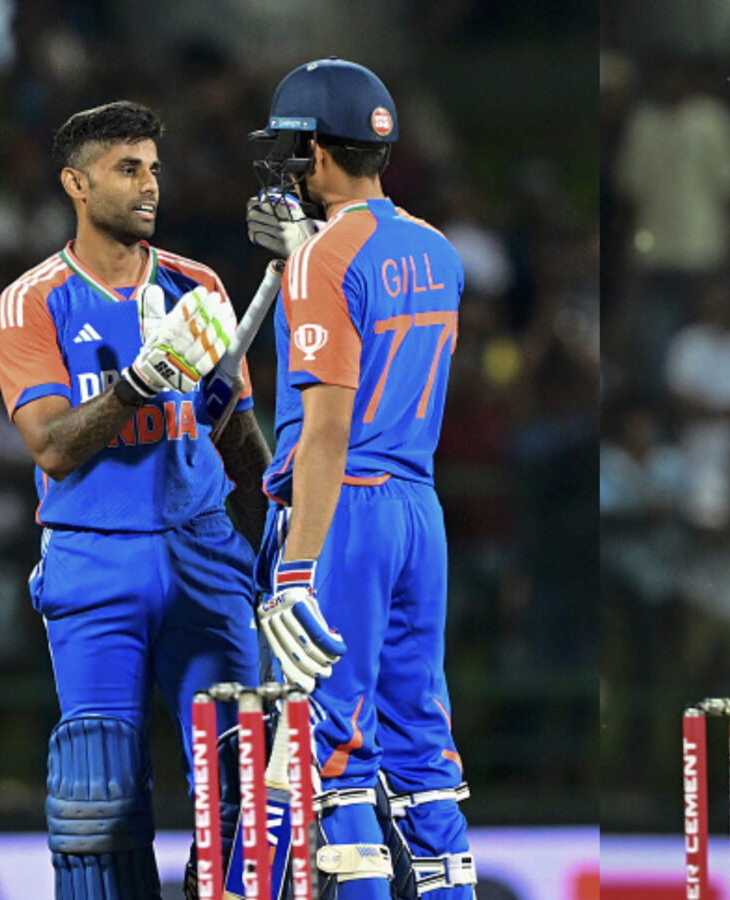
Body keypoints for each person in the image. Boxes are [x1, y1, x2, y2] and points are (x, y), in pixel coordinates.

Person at [0, 101, 270, 898]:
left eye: (154, 166)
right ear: (76, 184)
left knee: (242, 789)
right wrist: (143, 382)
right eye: (129, 168)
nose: (151, 183)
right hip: (93, 555)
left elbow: (238, 442)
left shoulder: (202, 286)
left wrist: (282, 544)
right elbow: (49, 444)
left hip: (205, 548)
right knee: (99, 795)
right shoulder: (31, 302)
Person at [243, 59, 475, 898]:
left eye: (290, 150)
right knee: (422, 738)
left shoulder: (319, 263)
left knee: (331, 743)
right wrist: (310, 256)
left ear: (315, 153)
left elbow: (328, 432)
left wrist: (296, 571)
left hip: (346, 510)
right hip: (421, 507)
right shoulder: (439, 250)